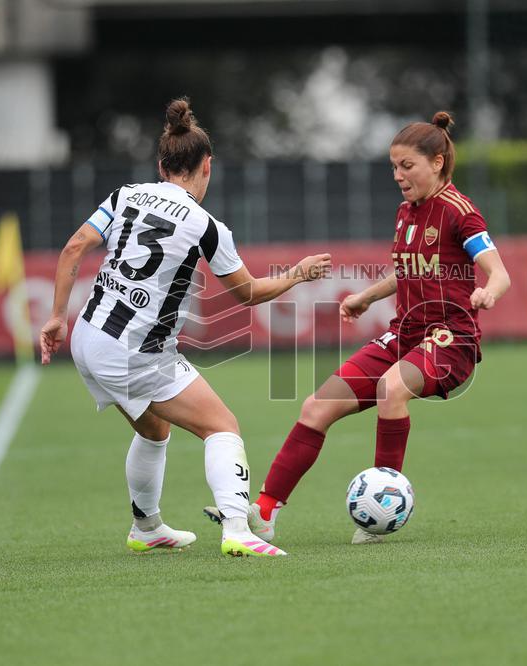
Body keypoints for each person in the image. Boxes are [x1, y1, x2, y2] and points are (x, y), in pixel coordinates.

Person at [39, 98, 331, 558]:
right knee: (223, 427)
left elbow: (75, 246)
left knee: (154, 430)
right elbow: (248, 294)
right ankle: (237, 528)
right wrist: (298, 274)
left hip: (87, 338)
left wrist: (56, 315)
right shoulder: (206, 225)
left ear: (161, 164)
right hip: (136, 351)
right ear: (207, 166)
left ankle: (146, 527)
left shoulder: (125, 195)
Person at [205, 111, 511, 545]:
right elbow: (407, 270)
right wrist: (367, 296)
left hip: (450, 339)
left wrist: (489, 292)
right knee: (315, 407)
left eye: (407, 166)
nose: (398, 175)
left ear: (438, 162)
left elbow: (497, 271)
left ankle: (384, 512)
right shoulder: (406, 212)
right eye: (393, 166)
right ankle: (265, 512)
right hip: (403, 334)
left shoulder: (460, 213)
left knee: (390, 389)